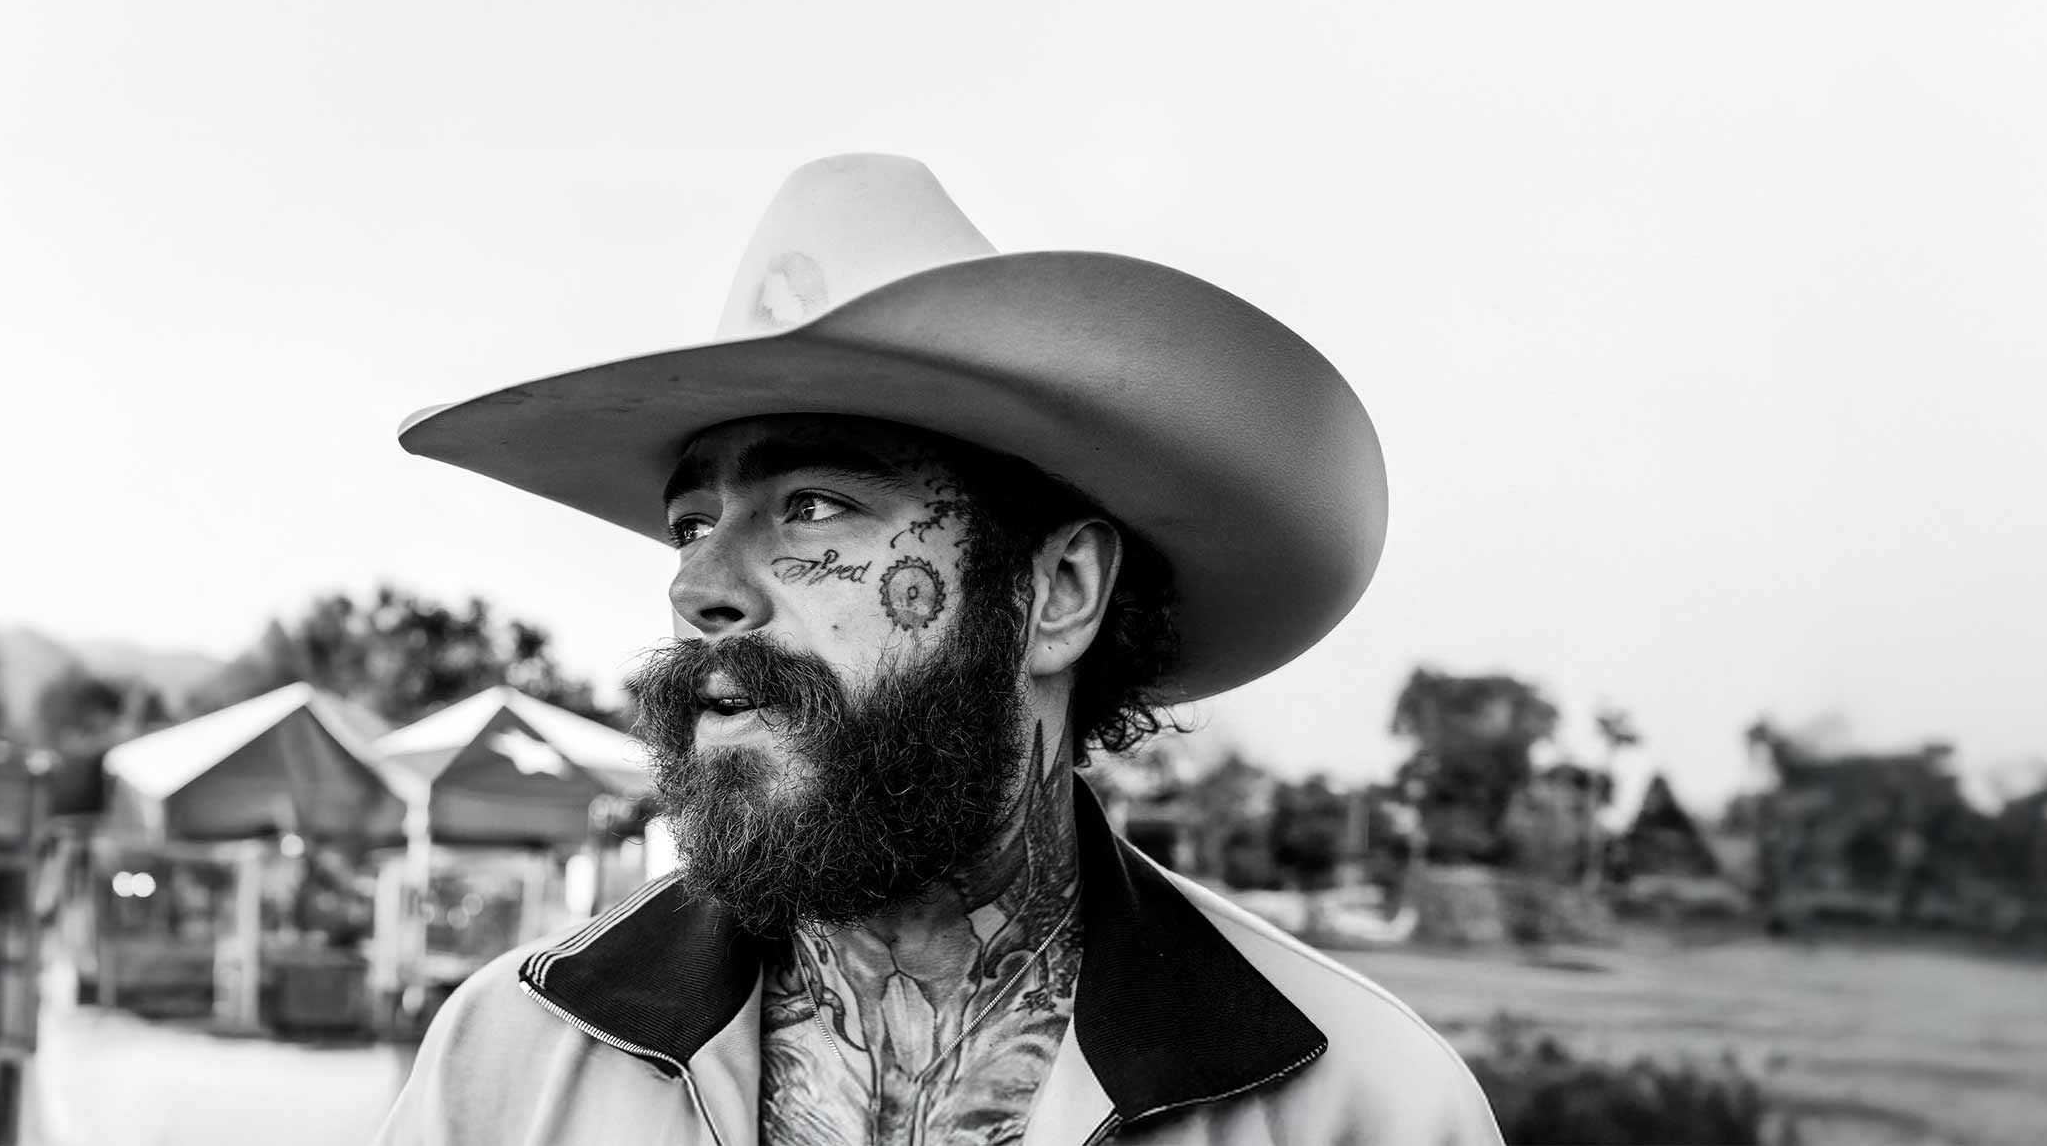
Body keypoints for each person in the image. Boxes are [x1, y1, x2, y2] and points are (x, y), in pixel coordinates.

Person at [372, 156, 1501, 1146]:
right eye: (691, 524)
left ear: (1058, 593)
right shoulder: (507, 1062)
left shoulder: (1359, 1106)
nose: (698, 587)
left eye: (814, 507)